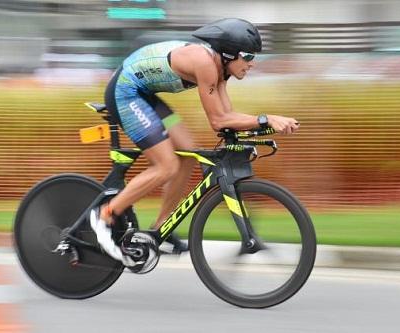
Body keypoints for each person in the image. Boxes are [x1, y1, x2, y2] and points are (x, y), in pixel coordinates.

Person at [90, 18, 300, 266]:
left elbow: (228, 118)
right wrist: (266, 119)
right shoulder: (205, 64)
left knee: (187, 154)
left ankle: (159, 230)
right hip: (126, 93)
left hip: (145, 96)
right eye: (248, 56)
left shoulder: (221, 70)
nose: (252, 63)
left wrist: (262, 126)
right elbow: (219, 120)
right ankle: (105, 215)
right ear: (229, 53)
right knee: (166, 166)